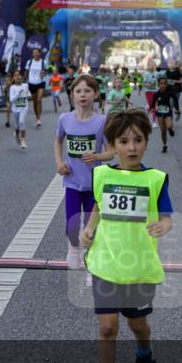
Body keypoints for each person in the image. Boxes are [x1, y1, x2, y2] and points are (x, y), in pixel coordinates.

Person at [80, 108, 172, 363]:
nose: (131, 147)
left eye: (138, 140)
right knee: (107, 327)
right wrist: (90, 228)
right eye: (123, 141)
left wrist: (164, 225)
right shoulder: (102, 174)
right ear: (112, 145)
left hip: (139, 266)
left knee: (137, 326)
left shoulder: (156, 179)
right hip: (106, 262)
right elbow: (98, 205)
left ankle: (144, 353)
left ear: (146, 142)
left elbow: (167, 216)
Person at [54, 75, 112, 275]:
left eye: (87, 91)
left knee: (91, 228)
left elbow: (112, 151)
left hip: (93, 184)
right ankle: (73, 248)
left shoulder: (102, 121)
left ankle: (91, 265)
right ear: (72, 95)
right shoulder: (65, 119)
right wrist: (59, 162)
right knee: (71, 225)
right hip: (71, 182)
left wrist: (97, 155)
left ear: (95, 94)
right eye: (78, 91)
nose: (82, 95)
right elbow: (58, 140)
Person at [151, 76, 178, 153]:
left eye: (165, 83)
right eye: (161, 83)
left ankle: (170, 130)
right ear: (158, 85)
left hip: (167, 112)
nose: (163, 85)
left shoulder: (169, 92)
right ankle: (164, 145)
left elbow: (175, 99)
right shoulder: (156, 94)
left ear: (167, 84)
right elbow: (153, 103)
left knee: (169, 126)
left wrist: (176, 108)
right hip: (159, 113)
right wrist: (152, 108)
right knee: (163, 131)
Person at [9, 70, 31, 149]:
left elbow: (28, 94)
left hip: (24, 107)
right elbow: (11, 100)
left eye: (19, 75)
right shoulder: (12, 88)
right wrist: (18, 94)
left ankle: (23, 140)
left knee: (21, 122)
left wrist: (29, 96)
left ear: (21, 77)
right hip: (15, 109)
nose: (18, 77)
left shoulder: (25, 85)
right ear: (13, 79)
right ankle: (16, 132)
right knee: (17, 125)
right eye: (15, 75)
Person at [25, 47, 46, 126]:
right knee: (34, 102)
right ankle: (37, 117)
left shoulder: (44, 62)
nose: (35, 54)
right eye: (33, 52)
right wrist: (23, 82)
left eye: (36, 52)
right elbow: (26, 72)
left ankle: (39, 119)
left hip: (40, 82)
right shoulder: (29, 62)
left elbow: (45, 70)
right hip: (31, 83)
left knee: (39, 99)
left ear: (39, 53)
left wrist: (43, 74)